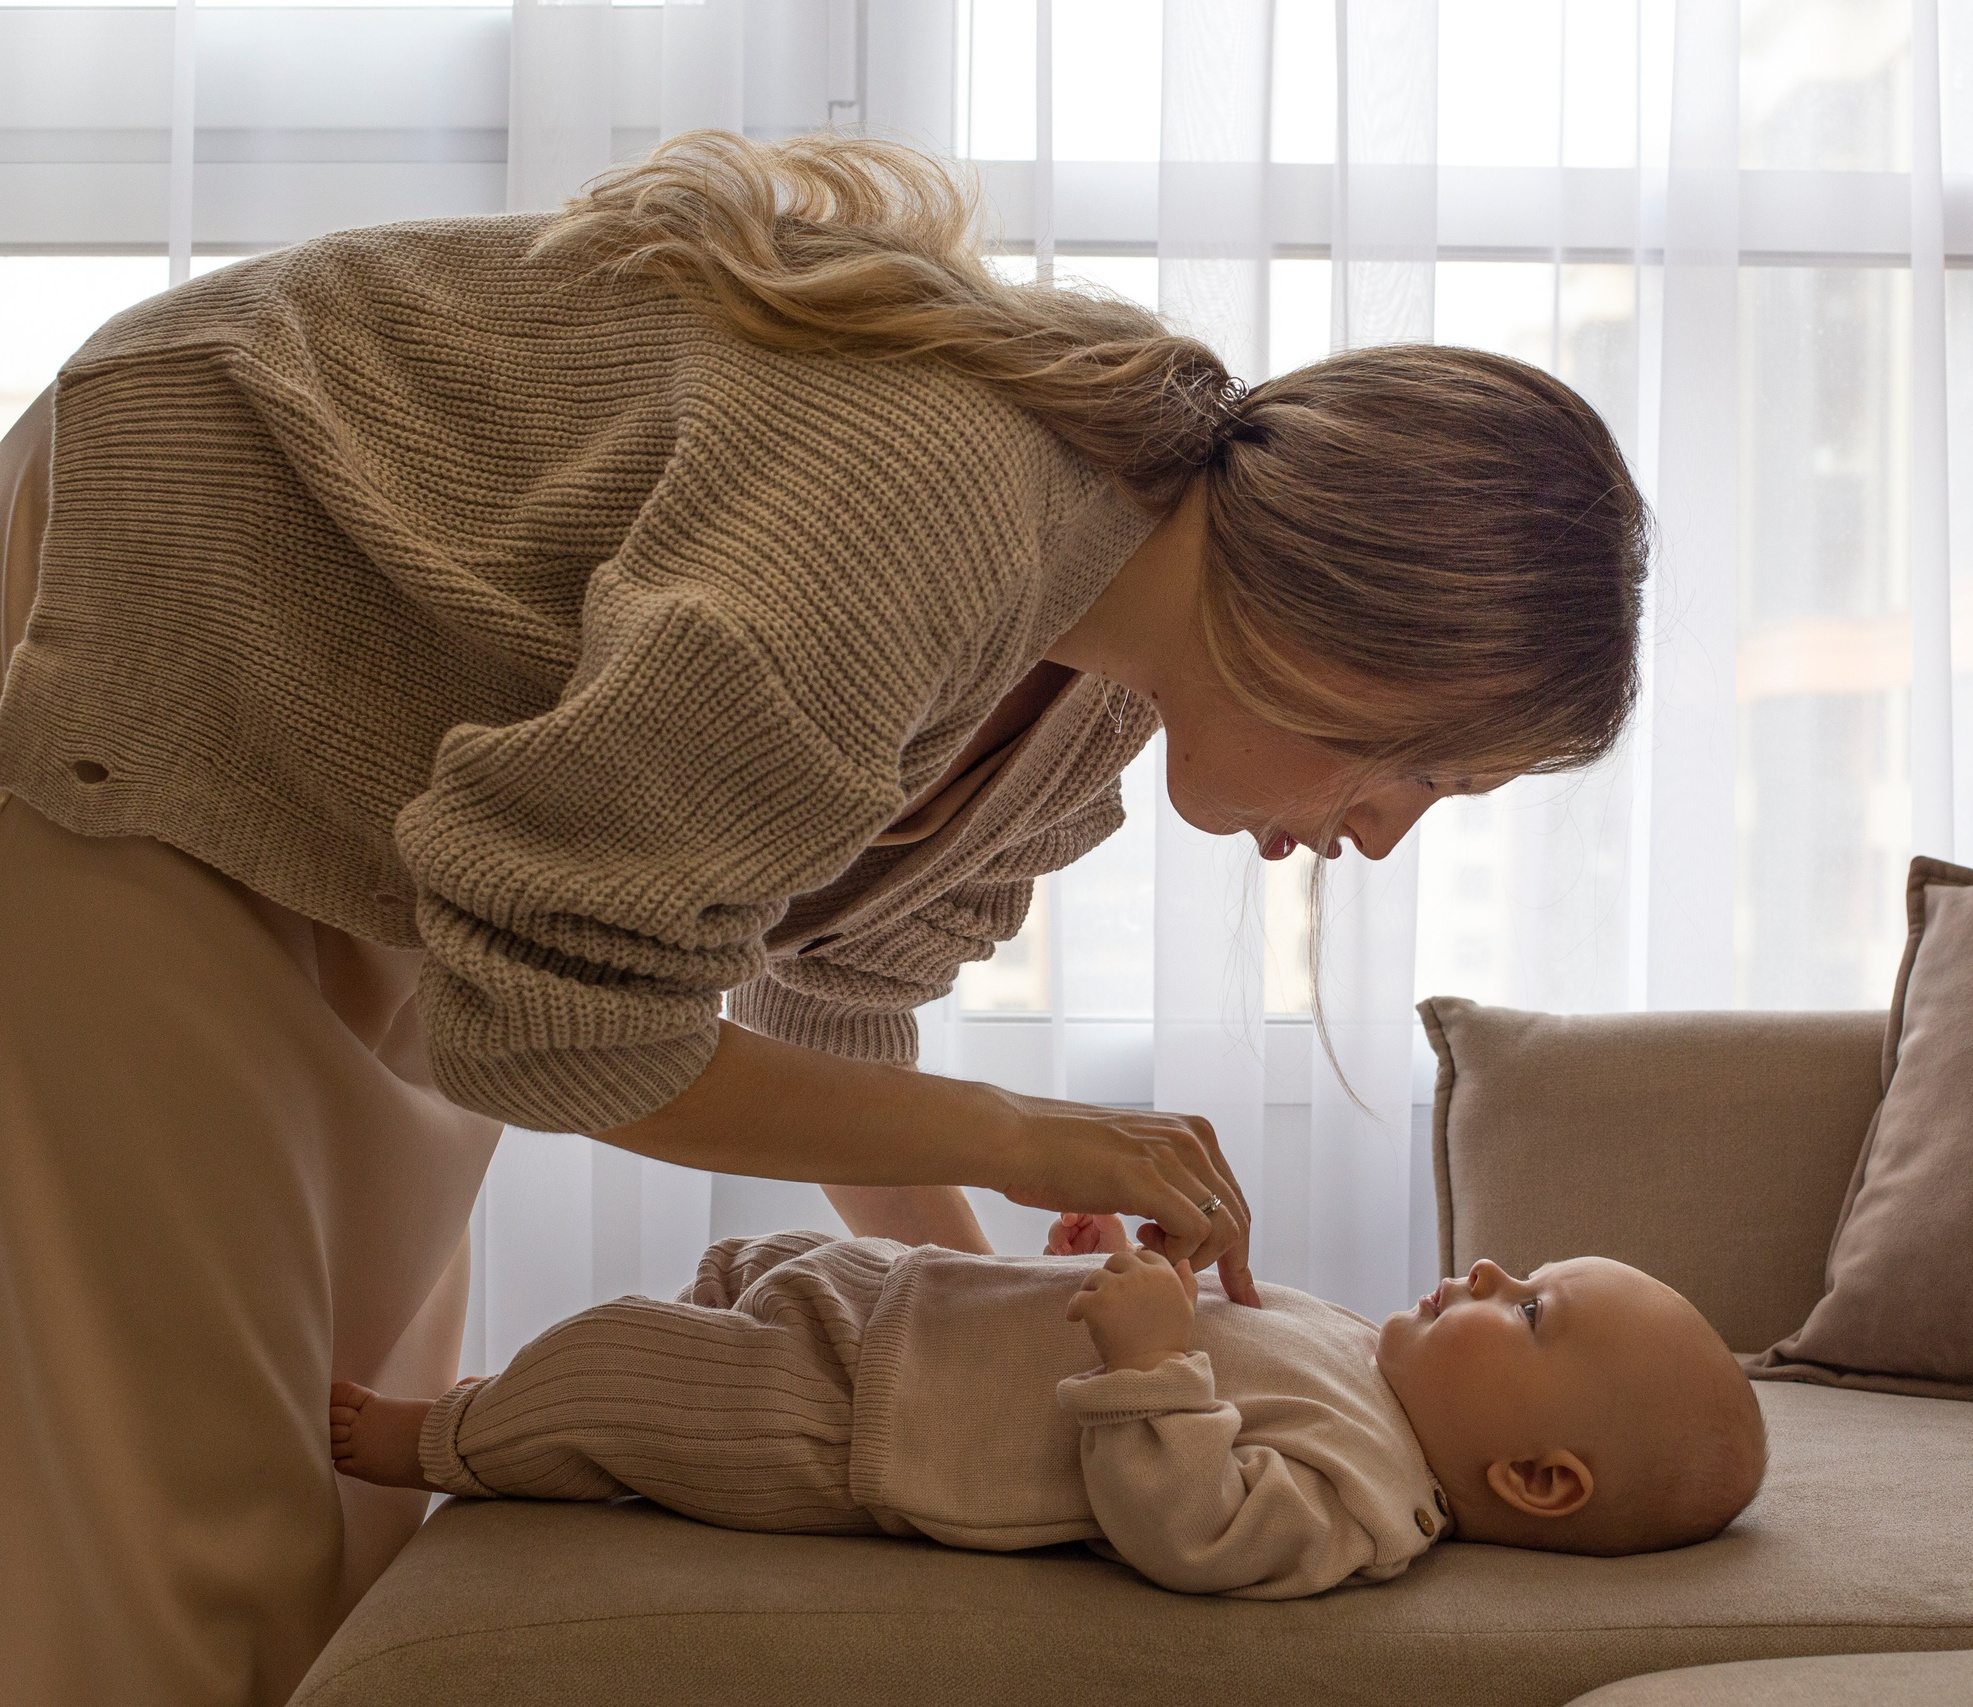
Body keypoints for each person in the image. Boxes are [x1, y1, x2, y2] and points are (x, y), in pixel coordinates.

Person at [0, 129, 1647, 1703]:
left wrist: (1014, 1336)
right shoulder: (916, 528)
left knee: (339, 1470)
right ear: (1366, 638)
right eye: (1427, 775)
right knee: (191, 1521)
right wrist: (1025, 1138)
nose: (1375, 837)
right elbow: (561, 1032)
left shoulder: (1083, 706)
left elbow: (828, 1007)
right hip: (171, 610)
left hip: (391, 787)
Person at [328, 1214, 1767, 1599]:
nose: (1494, 1268)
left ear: (1537, 1479)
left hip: (858, 1435)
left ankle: (440, 1437)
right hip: (906, 1311)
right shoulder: (1356, 1351)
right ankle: (545, 1417)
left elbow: (1196, 1528)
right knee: (749, 1263)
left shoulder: (1369, 1507)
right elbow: (1202, 1330)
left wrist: (1151, 1366)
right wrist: (1110, 1268)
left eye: (1531, 1310)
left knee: (626, 1362)